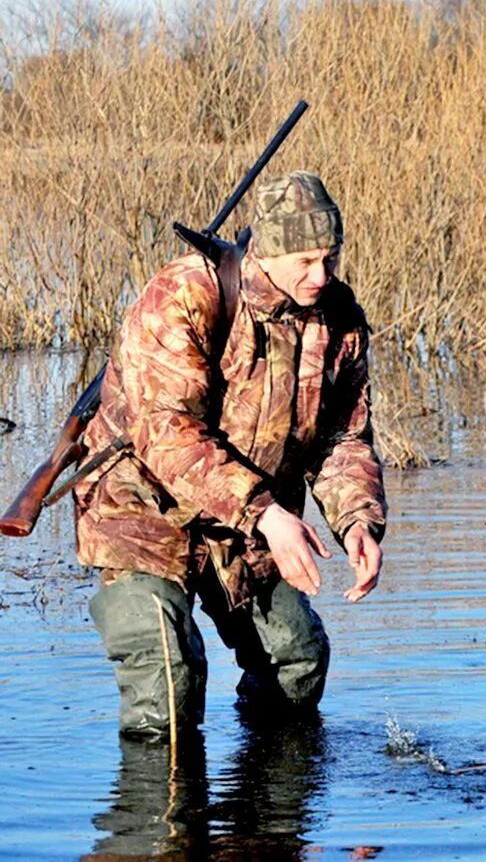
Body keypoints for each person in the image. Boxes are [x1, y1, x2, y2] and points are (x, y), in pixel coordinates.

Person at [73, 171, 387, 737]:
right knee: (168, 682)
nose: (322, 276)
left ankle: (264, 820)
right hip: (143, 509)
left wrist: (357, 522)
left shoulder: (338, 319)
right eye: (306, 261)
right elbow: (165, 432)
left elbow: (344, 438)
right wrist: (269, 514)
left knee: (297, 663)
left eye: (330, 259)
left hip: (248, 522)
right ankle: (166, 820)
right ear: (267, 250)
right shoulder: (185, 294)